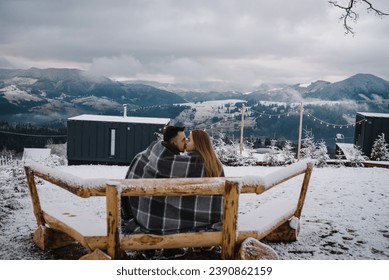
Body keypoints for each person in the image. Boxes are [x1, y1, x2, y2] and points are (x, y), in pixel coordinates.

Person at [121, 126, 224, 236]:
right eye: (185, 139)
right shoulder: (214, 164)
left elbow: (163, 163)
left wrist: (157, 147)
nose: (186, 142)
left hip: (162, 221)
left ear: (197, 143)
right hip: (210, 217)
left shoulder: (191, 164)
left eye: (189, 139)